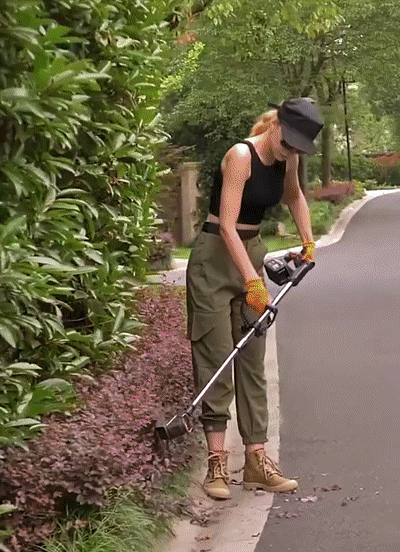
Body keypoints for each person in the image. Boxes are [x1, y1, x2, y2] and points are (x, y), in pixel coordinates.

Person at [186, 97, 323, 500]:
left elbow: (294, 196)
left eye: (298, 147)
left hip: (252, 252)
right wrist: (252, 281)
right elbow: (227, 226)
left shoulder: (288, 157)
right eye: (289, 142)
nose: (291, 150)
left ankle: (256, 462)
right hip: (215, 261)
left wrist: (308, 240)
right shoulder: (240, 156)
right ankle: (216, 464)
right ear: (276, 125)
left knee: (251, 361)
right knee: (216, 358)